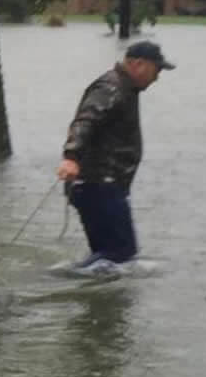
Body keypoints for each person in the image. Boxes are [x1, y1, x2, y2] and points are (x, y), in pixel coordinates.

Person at [55, 40, 175, 275]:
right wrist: (71, 156)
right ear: (139, 64)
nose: (157, 77)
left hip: (97, 186)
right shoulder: (112, 87)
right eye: (157, 69)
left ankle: (79, 288)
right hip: (99, 184)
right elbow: (86, 120)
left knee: (108, 257)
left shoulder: (125, 88)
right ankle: (58, 281)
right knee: (122, 254)